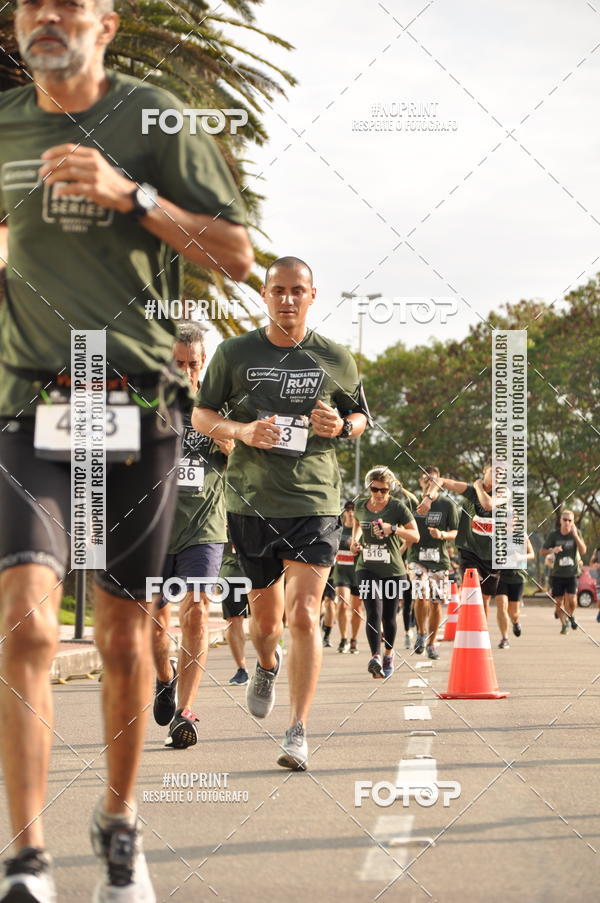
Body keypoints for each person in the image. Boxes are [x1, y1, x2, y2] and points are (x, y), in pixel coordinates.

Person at [0, 0, 252, 898]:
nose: (49, 15)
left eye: (70, 3)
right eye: (34, 2)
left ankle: (118, 819)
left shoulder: (156, 119)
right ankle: (25, 854)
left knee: (119, 631)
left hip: (138, 412)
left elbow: (236, 255)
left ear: (105, 22)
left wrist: (129, 194)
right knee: (26, 619)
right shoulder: (5, 128)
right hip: (32, 407)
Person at [193, 256, 369, 771]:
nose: (288, 299)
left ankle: (298, 731)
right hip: (251, 503)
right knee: (265, 625)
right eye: (278, 291)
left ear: (313, 296)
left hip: (315, 502)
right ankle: (266, 665)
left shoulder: (336, 357)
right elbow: (203, 415)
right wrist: (243, 432)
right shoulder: (233, 353)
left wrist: (343, 425)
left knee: (304, 615)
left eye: (298, 290)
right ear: (264, 296)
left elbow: (360, 416)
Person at [151, 325, 233, 748]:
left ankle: (185, 712)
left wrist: (220, 428)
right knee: (153, 622)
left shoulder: (218, 406)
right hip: (156, 530)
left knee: (197, 611)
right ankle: (164, 678)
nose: (186, 371)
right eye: (178, 363)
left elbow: (235, 450)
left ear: (204, 364)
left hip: (204, 528)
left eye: (193, 364)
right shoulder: (150, 404)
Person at [351, 467, 419, 679]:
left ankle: (388, 654)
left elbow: (415, 536)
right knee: (373, 612)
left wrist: (394, 529)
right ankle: (375, 657)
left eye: (384, 490)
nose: (379, 494)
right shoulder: (360, 506)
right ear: (369, 487)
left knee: (389, 617)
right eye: (375, 489)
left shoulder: (397, 507)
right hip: (366, 567)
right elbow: (357, 525)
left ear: (390, 489)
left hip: (392, 570)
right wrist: (354, 542)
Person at [437, 465, 502, 617]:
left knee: (485, 598)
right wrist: (430, 496)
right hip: (469, 551)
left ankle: (481, 632)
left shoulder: (504, 493)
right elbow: (445, 482)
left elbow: (488, 505)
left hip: (492, 554)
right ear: (485, 471)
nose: (498, 475)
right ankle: (465, 623)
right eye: (494, 471)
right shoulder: (470, 492)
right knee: (472, 588)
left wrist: (478, 486)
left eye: (502, 474)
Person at [407, 466, 458, 659]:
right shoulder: (411, 502)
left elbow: (455, 532)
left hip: (439, 558)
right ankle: (421, 632)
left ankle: (431, 643)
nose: (430, 482)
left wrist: (442, 534)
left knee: (436, 603)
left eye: (434, 480)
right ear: (421, 482)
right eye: (426, 479)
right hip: (417, 557)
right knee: (421, 593)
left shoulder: (447, 505)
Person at [540, 511, 587, 634]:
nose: (567, 522)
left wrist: (576, 535)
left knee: (572, 600)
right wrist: (552, 550)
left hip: (572, 573)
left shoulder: (576, 534)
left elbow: (583, 551)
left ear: (573, 522)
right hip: (557, 574)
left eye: (570, 520)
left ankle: (571, 616)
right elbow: (542, 551)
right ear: (560, 520)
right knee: (558, 601)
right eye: (565, 520)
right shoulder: (554, 535)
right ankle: (564, 623)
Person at [331, 500, 362, 653]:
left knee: (357, 608)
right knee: (342, 605)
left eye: (353, 510)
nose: (350, 512)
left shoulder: (361, 529)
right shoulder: (338, 529)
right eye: (348, 510)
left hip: (357, 572)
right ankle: (343, 638)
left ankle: (354, 639)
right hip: (341, 571)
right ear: (344, 512)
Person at [219, 539, 251, 685]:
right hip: (230, 575)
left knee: (265, 621)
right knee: (233, 621)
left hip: (258, 572)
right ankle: (241, 669)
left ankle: (267, 664)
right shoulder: (222, 517)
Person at [495, 535, 534, 648]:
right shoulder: (499, 534)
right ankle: (504, 638)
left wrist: (521, 557)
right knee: (501, 605)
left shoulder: (522, 535)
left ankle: (516, 622)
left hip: (517, 577)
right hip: (501, 576)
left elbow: (532, 554)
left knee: (514, 613)